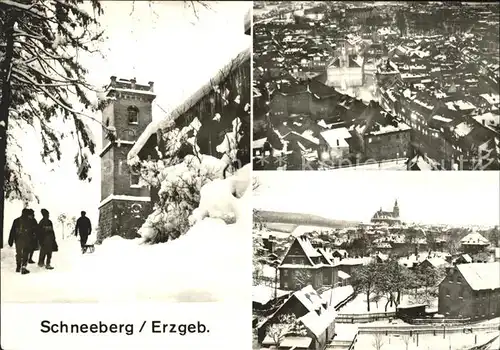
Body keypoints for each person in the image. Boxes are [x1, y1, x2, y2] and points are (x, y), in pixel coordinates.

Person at [8, 209, 36, 274]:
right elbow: (34, 230)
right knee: (26, 253)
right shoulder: (30, 221)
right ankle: (23, 267)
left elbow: (12, 231)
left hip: (18, 239)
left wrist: (10, 240)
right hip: (27, 239)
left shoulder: (16, 220)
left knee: (19, 253)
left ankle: (18, 267)